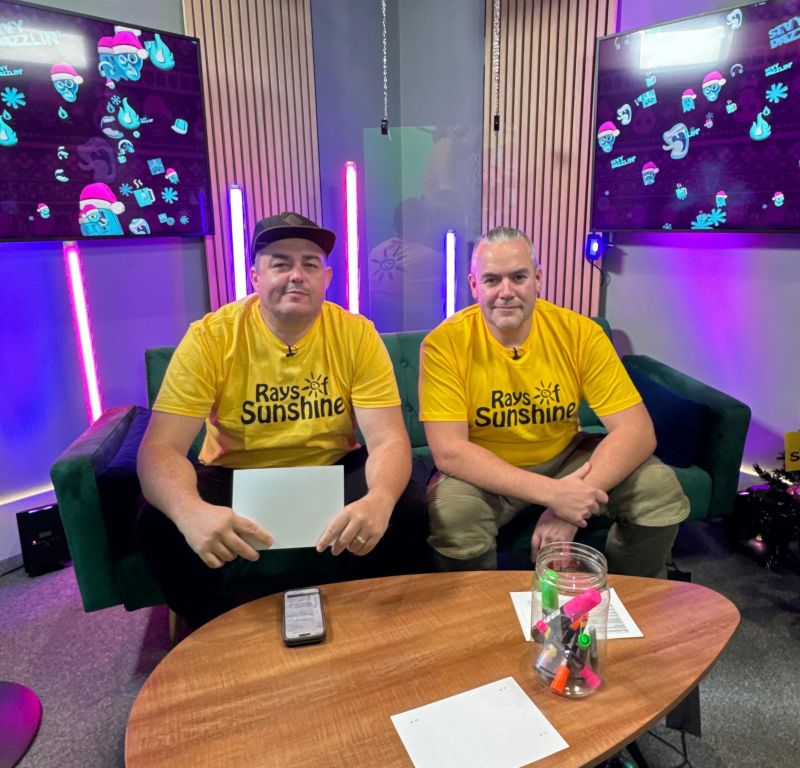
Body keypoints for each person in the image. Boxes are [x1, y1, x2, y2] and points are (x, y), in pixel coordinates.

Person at [136, 211, 429, 627]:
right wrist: (188, 511)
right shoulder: (211, 337)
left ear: (326, 278)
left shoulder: (357, 335)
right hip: (233, 476)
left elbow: (388, 441)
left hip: (331, 470)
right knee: (157, 523)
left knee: (407, 506)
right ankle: (222, 633)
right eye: (280, 263)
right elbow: (160, 449)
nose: (297, 275)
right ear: (255, 276)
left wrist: (379, 498)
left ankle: (365, 624)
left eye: (310, 264)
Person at [418, 226, 689, 577]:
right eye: (491, 280)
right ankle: (478, 620)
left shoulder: (580, 333)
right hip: (487, 470)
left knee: (659, 490)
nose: (506, 292)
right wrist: (554, 495)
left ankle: (628, 602)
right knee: (454, 518)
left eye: (518, 277)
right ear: (474, 286)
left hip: (567, 457)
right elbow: (450, 451)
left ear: (538, 279)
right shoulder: (443, 345)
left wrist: (568, 504)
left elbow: (637, 431)